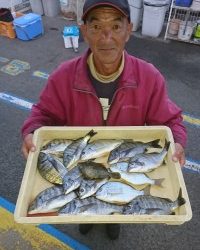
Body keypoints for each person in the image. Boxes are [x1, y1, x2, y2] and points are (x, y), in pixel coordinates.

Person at [21, 0, 186, 240]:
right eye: (96, 26)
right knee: (86, 204)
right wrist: (32, 131)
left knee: (115, 200)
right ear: (84, 30)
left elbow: (171, 121)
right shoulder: (63, 77)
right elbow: (42, 115)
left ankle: (112, 220)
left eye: (116, 27)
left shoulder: (149, 77)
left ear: (129, 30)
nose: (106, 37)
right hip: (83, 167)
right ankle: (89, 216)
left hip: (120, 165)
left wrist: (178, 141)